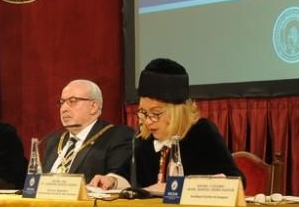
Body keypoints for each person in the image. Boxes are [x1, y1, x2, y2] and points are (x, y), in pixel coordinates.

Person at [91, 58, 244, 192]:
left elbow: (236, 182)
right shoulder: (146, 139)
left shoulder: (202, 132)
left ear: (177, 111)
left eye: (156, 113)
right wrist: (112, 181)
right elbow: (127, 175)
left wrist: (178, 186)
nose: (148, 121)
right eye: (143, 112)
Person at [40, 80, 133, 183]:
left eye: (72, 101)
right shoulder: (54, 141)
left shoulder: (117, 136)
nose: (64, 108)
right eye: (62, 102)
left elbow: (117, 181)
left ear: (93, 106)